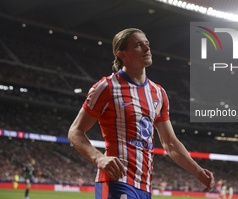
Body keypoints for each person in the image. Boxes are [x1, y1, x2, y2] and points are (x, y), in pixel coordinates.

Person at [68, 28, 215, 199]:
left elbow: (171, 143)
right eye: (139, 45)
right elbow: (75, 131)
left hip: (144, 187)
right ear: (122, 54)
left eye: (147, 44)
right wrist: (99, 158)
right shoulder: (107, 86)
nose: (147, 48)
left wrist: (197, 170)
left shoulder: (159, 93)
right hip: (117, 182)